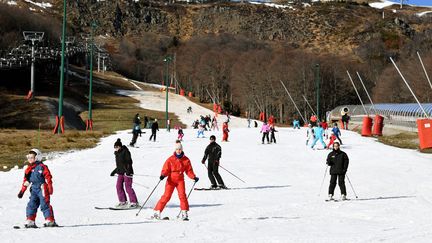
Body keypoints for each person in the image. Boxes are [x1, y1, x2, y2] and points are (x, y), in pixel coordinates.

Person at [153, 141, 199, 220]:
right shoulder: (170, 159)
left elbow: (189, 171)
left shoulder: (186, 160)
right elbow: (166, 169)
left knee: (182, 196)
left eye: (180, 149)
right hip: (171, 179)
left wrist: (193, 177)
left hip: (180, 180)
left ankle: (184, 213)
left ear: (182, 149)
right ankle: (157, 211)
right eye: (177, 149)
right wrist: (163, 175)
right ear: (175, 150)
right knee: (166, 196)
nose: (178, 151)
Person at [17, 149, 57, 228]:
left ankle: (50, 220)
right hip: (34, 189)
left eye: (32, 157)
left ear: (37, 158)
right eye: (28, 157)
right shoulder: (28, 169)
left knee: (44, 203)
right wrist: (22, 191)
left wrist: (50, 187)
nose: (30, 159)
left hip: (42, 188)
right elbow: (26, 181)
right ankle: (30, 220)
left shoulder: (42, 167)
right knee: (31, 204)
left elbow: (48, 177)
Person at [111, 139, 139, 208]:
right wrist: (114, 171)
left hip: (127, 172)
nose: (116, 148)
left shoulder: (125, 151)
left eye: (117, 147)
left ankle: (134, 202)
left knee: (128, 187)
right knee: (118, 186)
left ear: (120, 146)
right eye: (115, 147)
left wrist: (128, 171)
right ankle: (123, 201)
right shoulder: (117, 154)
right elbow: (119, 165)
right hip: (121, 172)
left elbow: (129, 162)